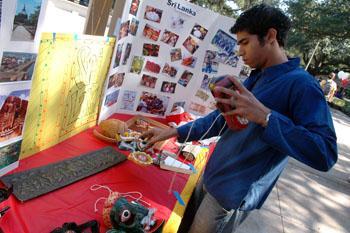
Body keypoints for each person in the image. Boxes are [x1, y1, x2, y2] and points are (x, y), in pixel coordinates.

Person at [141, 4, 337, 233]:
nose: (239, 51)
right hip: (210, 176)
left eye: (245, 42)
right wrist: (173, 132)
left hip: (230, 195)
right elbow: (220, 119)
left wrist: (267, 117)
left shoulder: (302, 85)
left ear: (270, 36)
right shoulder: (257, 77)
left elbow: (325, 152)